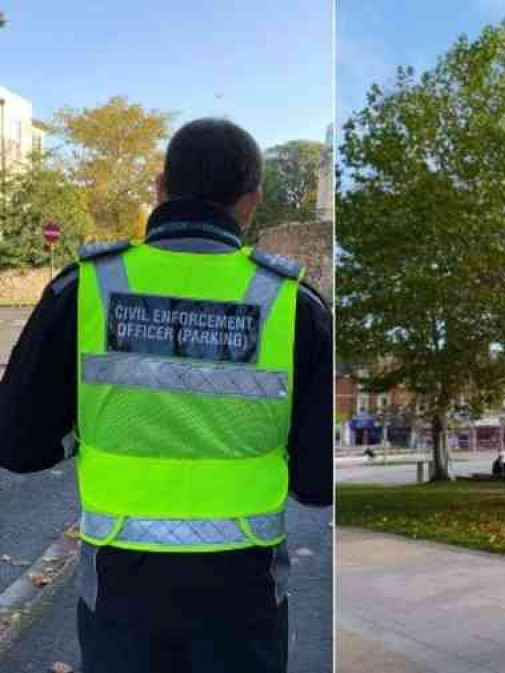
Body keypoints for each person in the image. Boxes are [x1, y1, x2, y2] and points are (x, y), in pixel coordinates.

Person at [0, 118, 332, 672]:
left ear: (159, 187)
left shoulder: (86, 286)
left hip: (120, 588)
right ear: (251, 202)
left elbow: (15, 442)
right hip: (244, 591)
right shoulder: (296, 305)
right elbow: (318, 484)